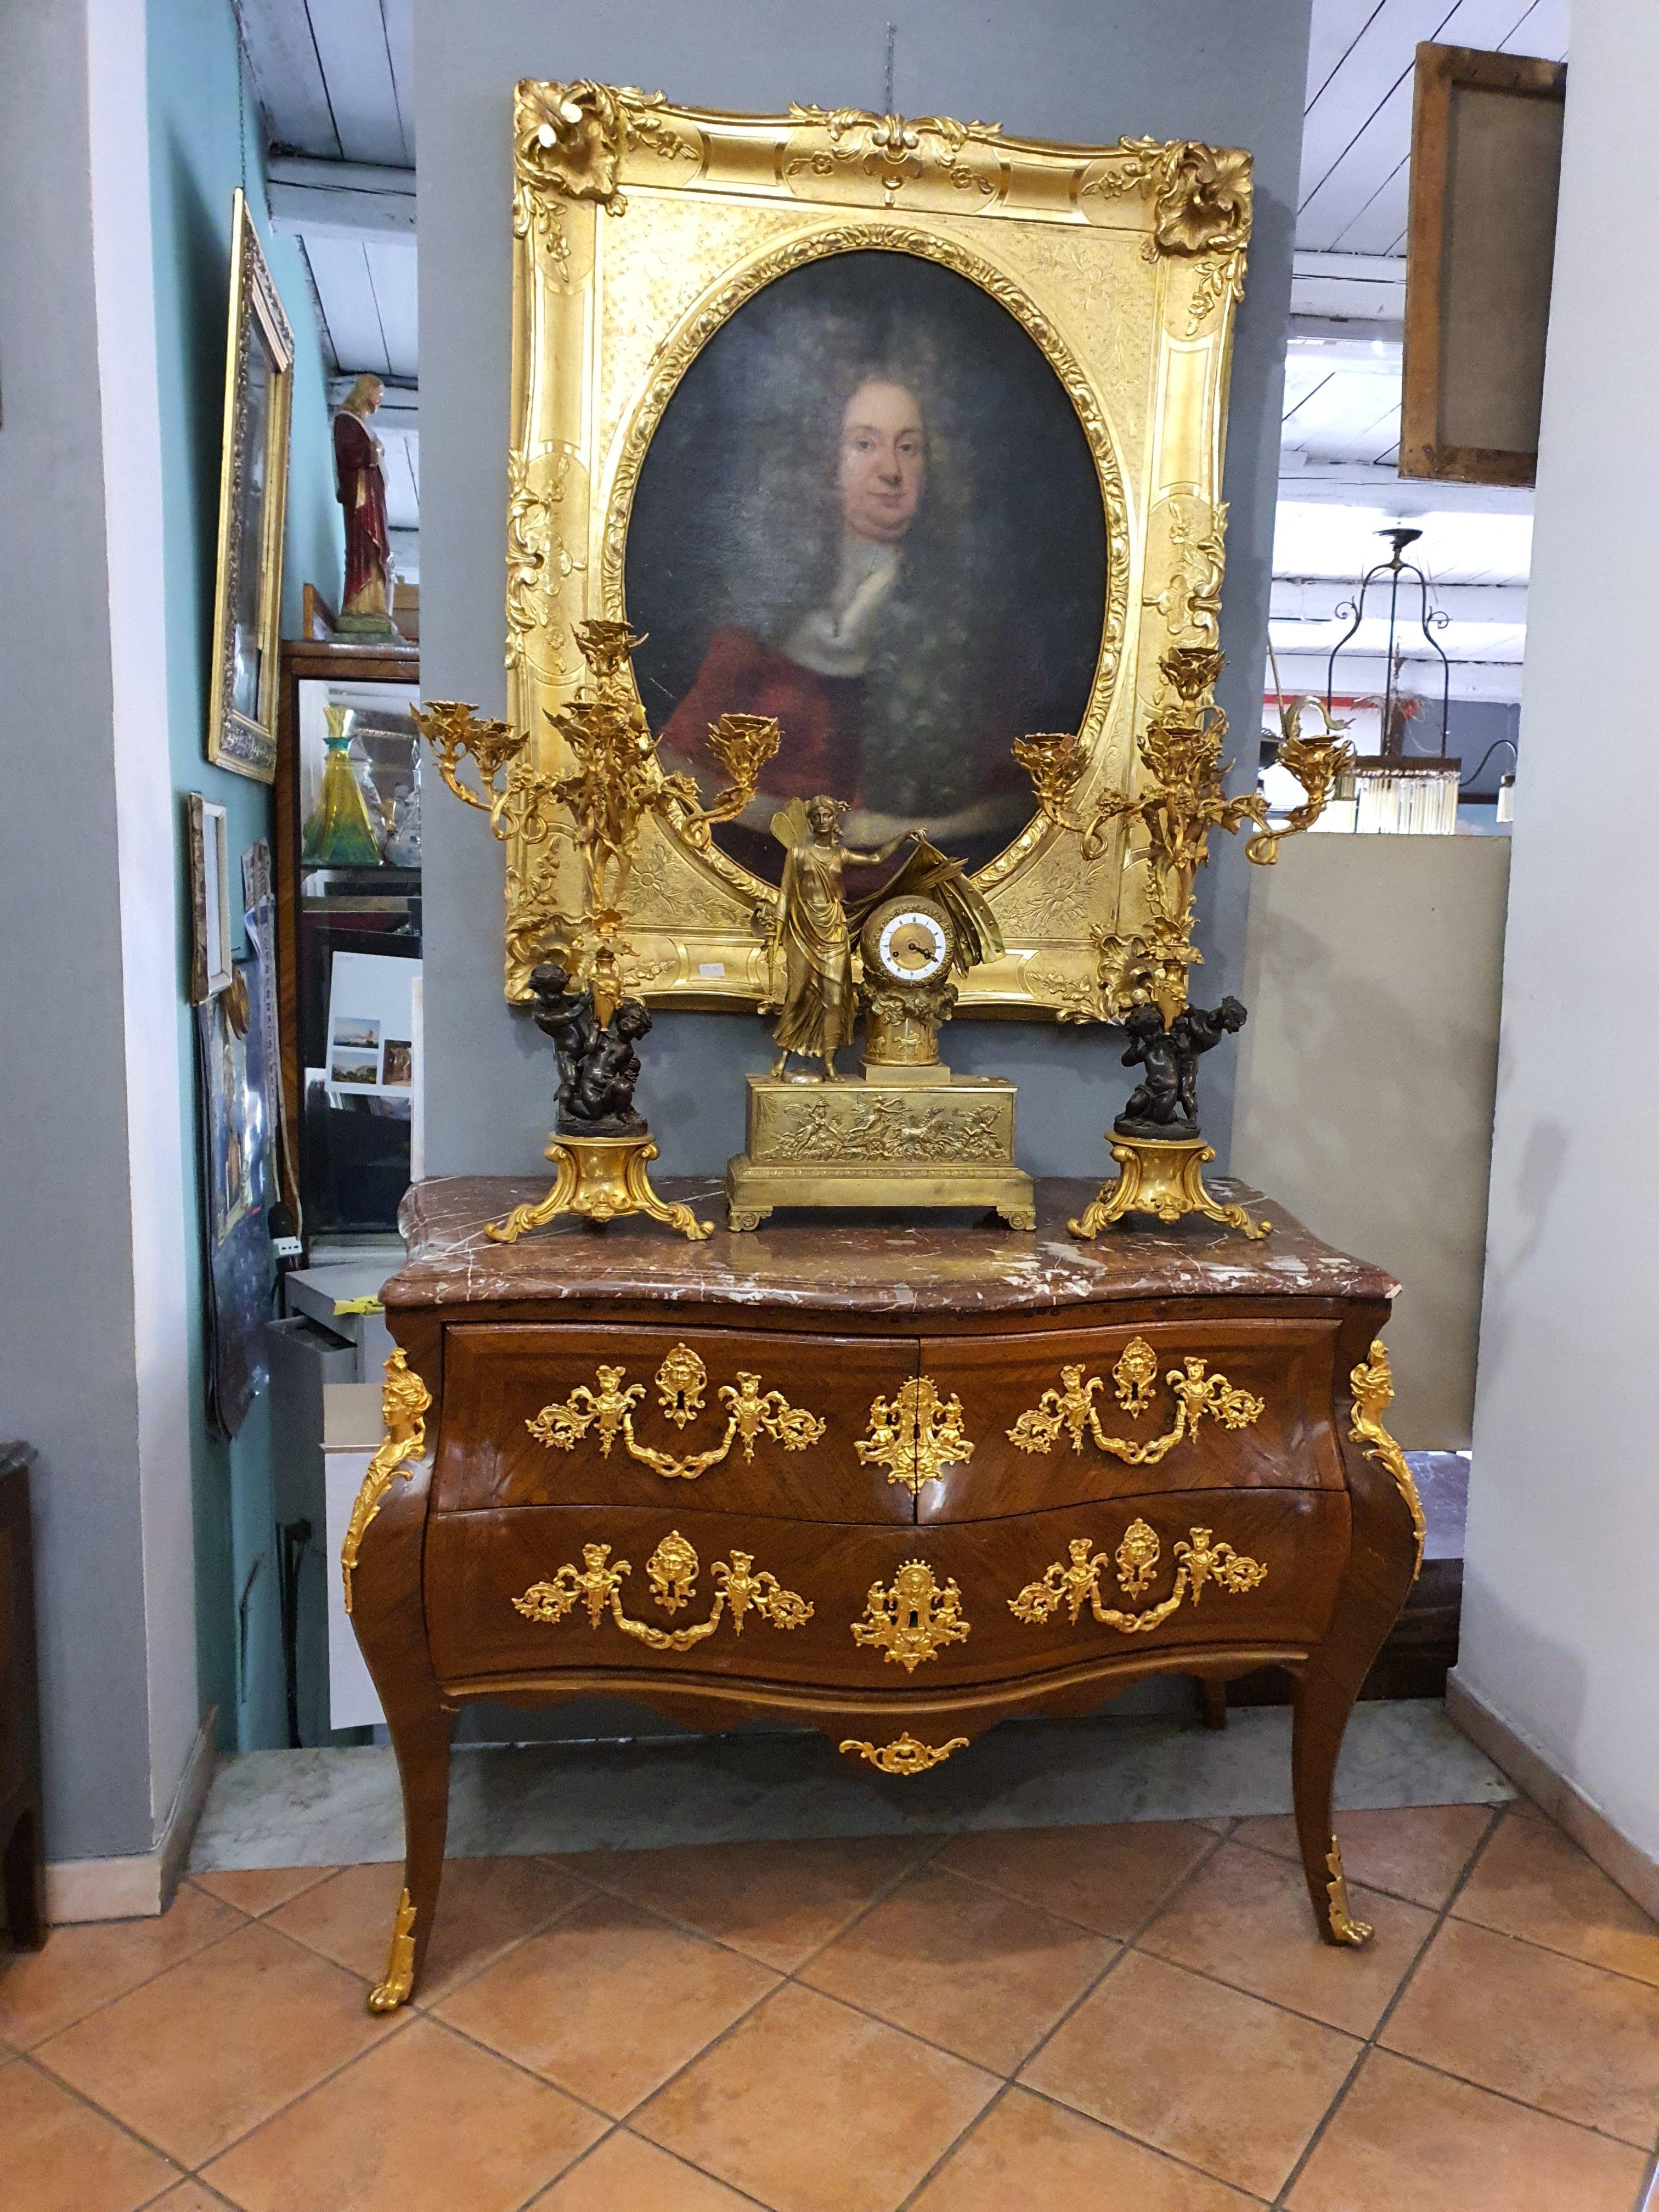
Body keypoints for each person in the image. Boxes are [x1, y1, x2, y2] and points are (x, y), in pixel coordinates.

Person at [660, 366, 1029, 865]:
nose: (891, 471)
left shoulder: (969, 622)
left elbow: (1019, 801)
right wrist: (780, 825)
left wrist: (898, 831)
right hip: (761, 878)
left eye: (909, 447)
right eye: (864, 444)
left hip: (910, 889)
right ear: (826, 461)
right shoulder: (760, 617)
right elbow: (675, 765)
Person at [767, 795, 907, 1080]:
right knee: (796, 995)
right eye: (816, 816)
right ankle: (784, 1053)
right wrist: (775, 937)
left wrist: (902, 838)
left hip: (834, 931)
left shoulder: (839, 855)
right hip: (803, 931)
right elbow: (785, 896)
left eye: (826, 816)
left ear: (834, 820)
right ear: (811, 821)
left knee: (833, 998)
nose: (821, 821)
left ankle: (829, 1063)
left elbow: (876, 859)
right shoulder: (797, 854)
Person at [332, 374, 396, 633]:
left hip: (373, 499)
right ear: (365, 391)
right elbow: (348, 456)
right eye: (377, 394)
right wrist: (373, 451)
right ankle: (360, 603)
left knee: (379, 552)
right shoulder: (346, 421)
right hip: (361, 500)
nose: (379, 400)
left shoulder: (362, 425)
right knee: (365, 548)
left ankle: (375, 605)